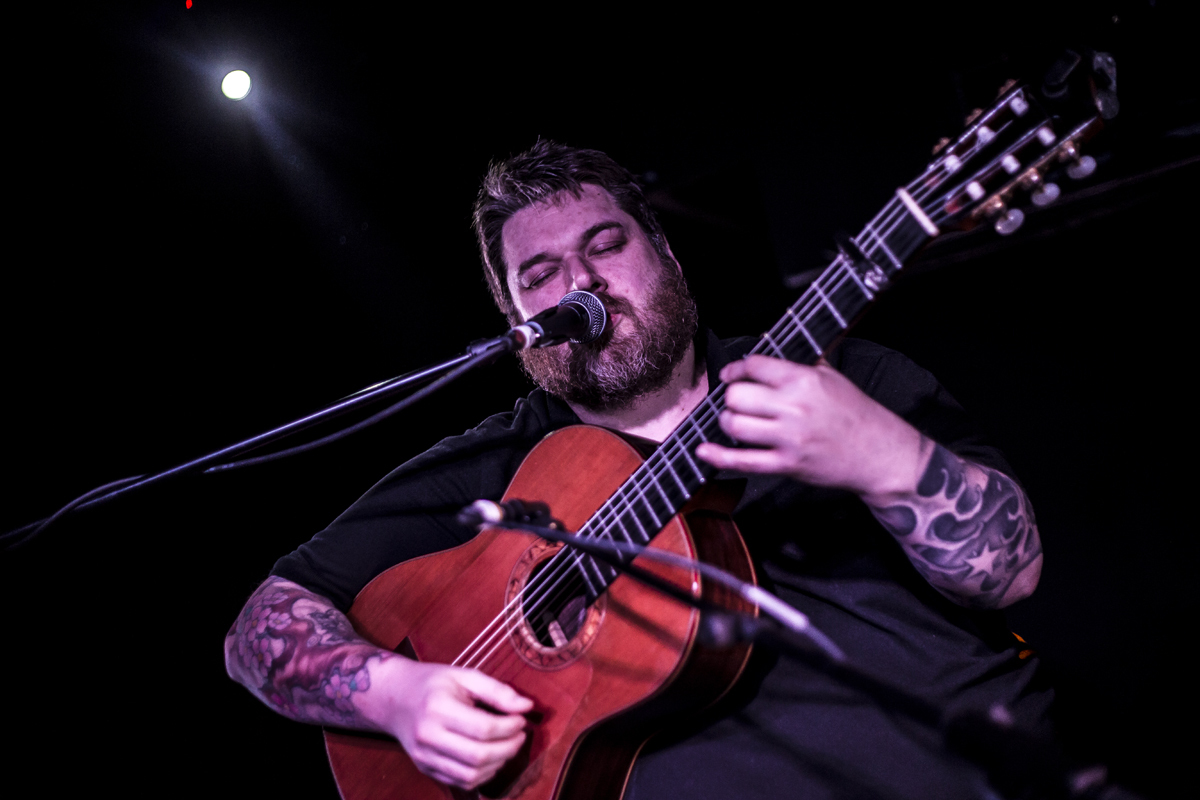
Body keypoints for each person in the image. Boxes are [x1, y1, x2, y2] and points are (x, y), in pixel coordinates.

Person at [225, 141, 1047, 799]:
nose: (579, 283)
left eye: (606, 245)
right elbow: (259, 630)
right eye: (540, 276)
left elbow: (1008, 575)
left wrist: (884, 458)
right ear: (519, 325)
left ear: (669, 261)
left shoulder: (836, 372)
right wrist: (400, 698)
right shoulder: (489, 464)